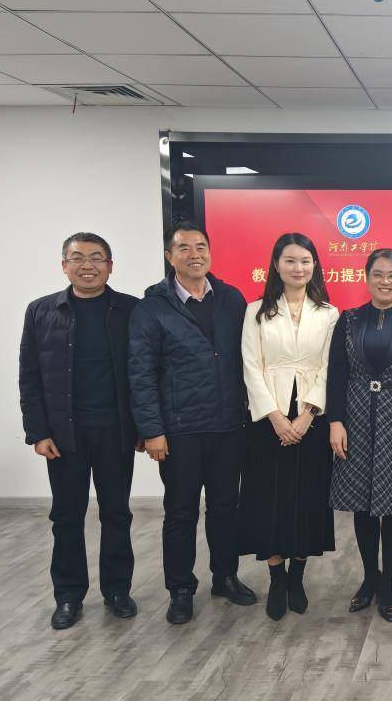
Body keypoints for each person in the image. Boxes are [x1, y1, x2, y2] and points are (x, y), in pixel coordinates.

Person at [129, 221, 256, 625]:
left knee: (225, 509)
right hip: (179, 429)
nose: (194, 254)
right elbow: (140, 373)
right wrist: (152, 430)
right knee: (181, 512)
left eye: (201, 247)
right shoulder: (152, 308)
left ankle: (225, 576)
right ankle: (181, 589)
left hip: (228, 425)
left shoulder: (232, 299)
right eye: (184, 248)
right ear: (170, 257)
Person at [19, 232, 140, 630]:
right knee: (66, 516)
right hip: (63, 435)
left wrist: (144, 426)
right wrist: (38, 432)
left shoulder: (131, 310)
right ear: (64, 265)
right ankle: (68, 595)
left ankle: (117, 590)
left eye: (96, 257)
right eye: (78, 258)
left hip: (115, 431)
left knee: (117, 513)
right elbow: (29, 377)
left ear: (110, 266)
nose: (87, 265)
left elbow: (144, 372)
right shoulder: (41, 311)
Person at [327, 248, 392, 623]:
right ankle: (369, 577)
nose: (385, 281)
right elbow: (336, 373)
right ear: (367, 277)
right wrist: (335, 421)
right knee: (362, 503)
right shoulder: (349, 320)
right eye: (378, 274)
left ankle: (389, 583)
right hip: (355, 418)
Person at [238, 234, 339, 621]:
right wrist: (276, 418)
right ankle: (276, 578)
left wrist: (307, 415)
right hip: (267, 420)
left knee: (307, 497)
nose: (299, 268)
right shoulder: (256, 311)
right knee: (269, 498)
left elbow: (329, 367)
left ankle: (297, 576)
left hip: (311, 418)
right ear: (276, 265)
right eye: (291, 260)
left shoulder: (328, 313)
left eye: (306, 261)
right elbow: (251, 366)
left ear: (315, 266)